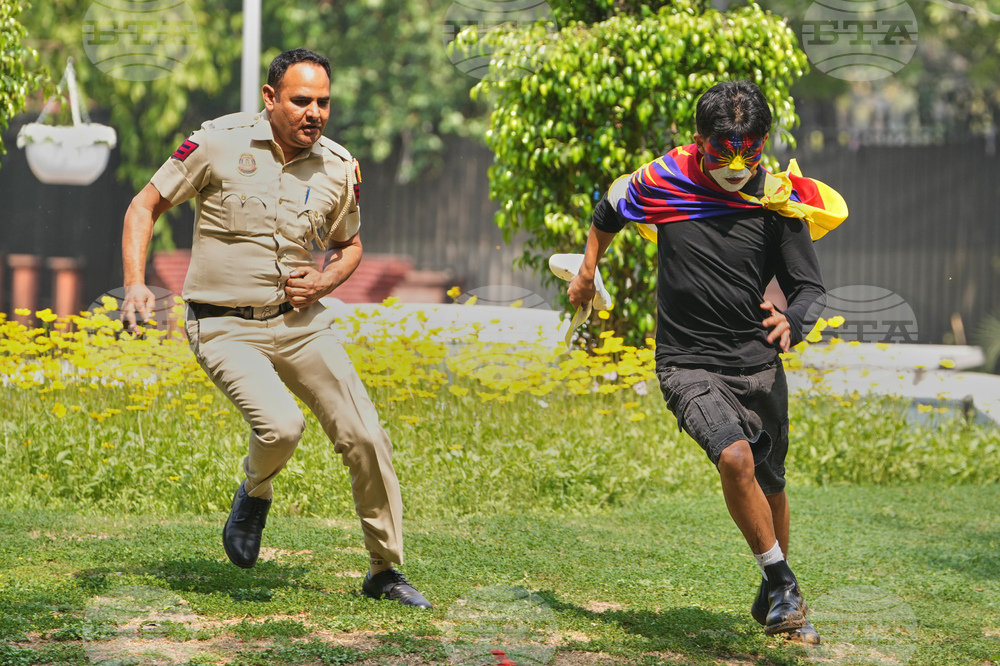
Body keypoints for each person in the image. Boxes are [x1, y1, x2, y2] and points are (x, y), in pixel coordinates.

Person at [120, 48, 431, 609]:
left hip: (302, 325)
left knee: (366, 437)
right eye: (301, 100)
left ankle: (385, 570)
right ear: (270, 99)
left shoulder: (339, 166)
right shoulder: (216, 142)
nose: (315, 112)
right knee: (281, 427)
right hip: (223, 327)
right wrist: (137, 283)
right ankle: (254, 492)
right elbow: (144, 206)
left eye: (324, 102)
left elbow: (350, 246)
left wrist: (324, 283)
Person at [568, 80, 847, 643]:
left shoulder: (774, 200)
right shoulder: (662, 182)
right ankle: (785, 584)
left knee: (771, 482)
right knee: (735, 458)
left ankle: (776, 600)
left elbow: (810, 288)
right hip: (686, 363)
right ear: (698, 140)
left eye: (752, 149)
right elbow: (607, 210)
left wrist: (793, 319)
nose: (739, 163)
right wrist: (585, 268)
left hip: (759, 365)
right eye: (724, 150)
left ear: (764, 141)